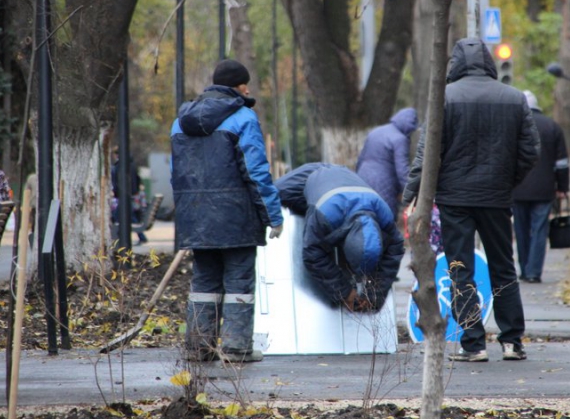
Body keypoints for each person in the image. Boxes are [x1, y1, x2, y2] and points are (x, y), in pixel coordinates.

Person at [403, 37, 540, 363]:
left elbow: (427, 154)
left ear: (455, 63)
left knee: (460, 268)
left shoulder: (445, 98)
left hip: (455, 200)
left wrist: (411, 194)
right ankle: (512, 341)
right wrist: (508, 181)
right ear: (489, 62)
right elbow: (530, 151)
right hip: (496, 197)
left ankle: (473, 343)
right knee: (505, 267)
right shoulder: (514, 98)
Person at [171, 59, 283, 364]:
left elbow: (176, 173)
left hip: (195, 217)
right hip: (236, 217)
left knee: (204, 282)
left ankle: (198, 346)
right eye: (245, 83)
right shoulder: (243, 118)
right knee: (239, 282)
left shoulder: (180, 121)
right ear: (240, 86)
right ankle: (236, 348)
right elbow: (256, 171)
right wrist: (273, 215)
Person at [275, 162, 405, 312]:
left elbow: (395, 249)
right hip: (307, 180)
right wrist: (345, 292)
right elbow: (312, 253)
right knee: (265, 200)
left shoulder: (383, 215)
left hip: (342, 179)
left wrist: (375, 294)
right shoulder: (325, 214)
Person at [512, 91, 570, 284]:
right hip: (544, 190)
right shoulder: (552, 126)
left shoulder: (513, 125)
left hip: (517, 190)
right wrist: (562, 186)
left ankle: (524, 268)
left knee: (520, 231)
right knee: (539, 231)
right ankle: (534, 272)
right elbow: (561, 162)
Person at [356, 108, 419, 218]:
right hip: (384, 183)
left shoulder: (375, 131)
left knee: (364, 217)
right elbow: (402, 170)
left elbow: (361, 158)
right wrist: (412, 193)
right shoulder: (400, 139)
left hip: (362, 178)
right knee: (385, 220)